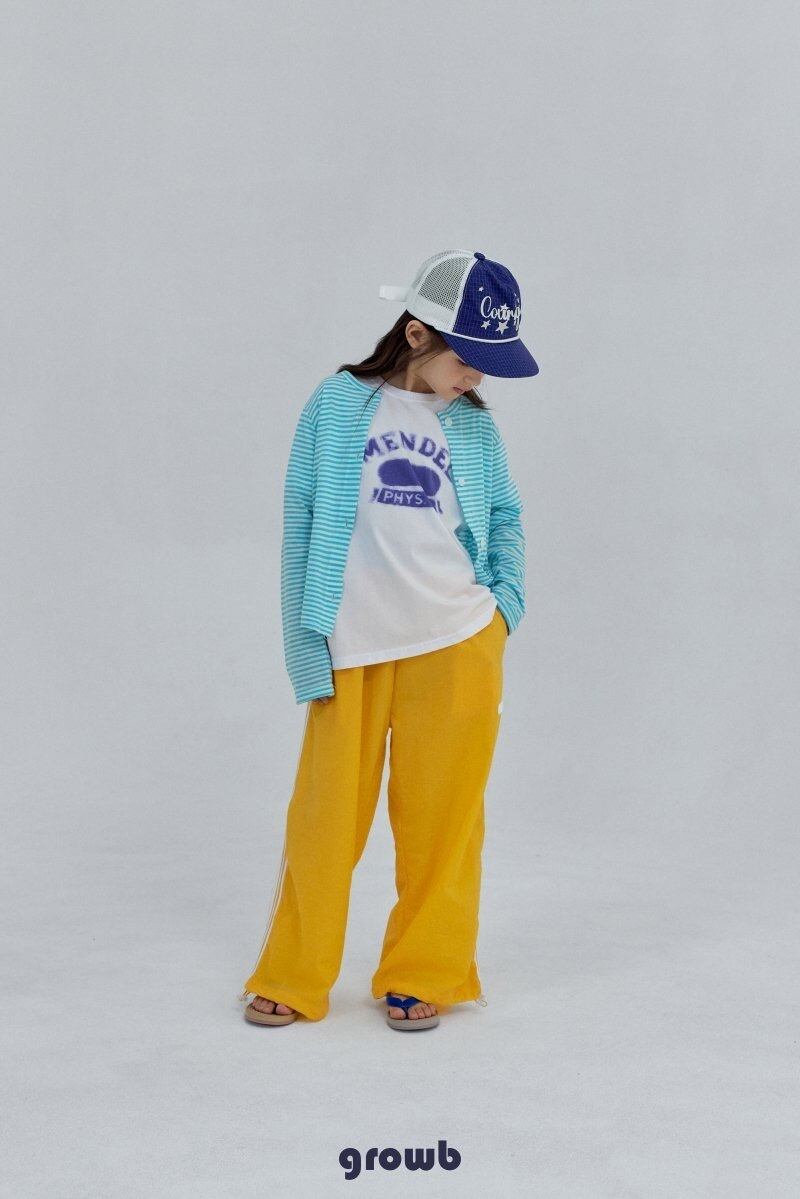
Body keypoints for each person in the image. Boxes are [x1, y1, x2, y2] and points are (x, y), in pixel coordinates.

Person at [238, 249, 539, 1031]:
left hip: (457, 639)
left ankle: (425, 970)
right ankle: (294, 973)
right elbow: (301, 520)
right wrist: (303, 643)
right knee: (323, 822)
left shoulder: (475, 429)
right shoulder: (338, 406)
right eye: (468, 357)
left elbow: (505, 517)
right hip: (353, 643)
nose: (478, 376)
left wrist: (502, 608)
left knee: (445, 823)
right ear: (416, 333)